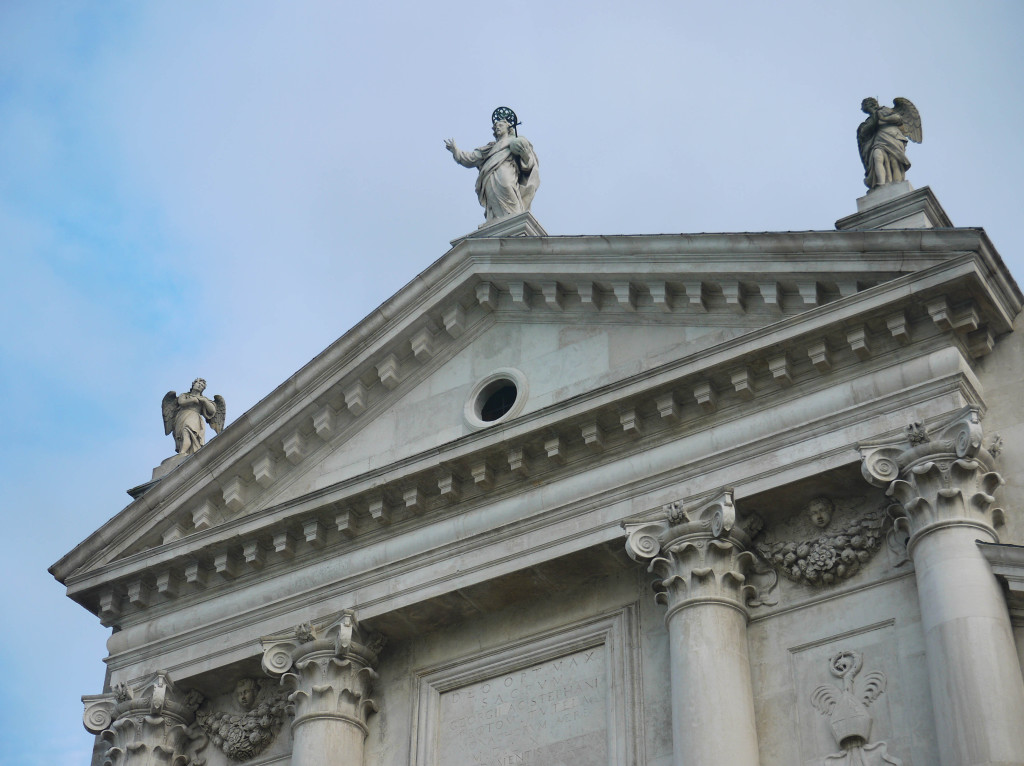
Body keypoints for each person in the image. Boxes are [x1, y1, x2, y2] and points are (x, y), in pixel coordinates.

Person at [444, 119, 539, 222]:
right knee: (493, 199)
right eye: (496, 126)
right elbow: (471, 158)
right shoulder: (490, 147)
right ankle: (498, 222)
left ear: (508, 128)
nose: (497, 127)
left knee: (507, 187)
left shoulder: (516, 141)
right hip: (489, 175)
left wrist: (525, 155)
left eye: (501, 125)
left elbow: (529, 165)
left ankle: (516, 221)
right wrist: (455, 150)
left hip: (507, 172)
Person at [857, 97, 920, 189]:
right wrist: (876, 121)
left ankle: (898, 184)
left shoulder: (884, 110)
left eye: (863, 105)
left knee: (894, 160)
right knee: (877, 156)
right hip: (879, 139)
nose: (861, 108)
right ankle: (881, 182)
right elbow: (864, 132)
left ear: (869, 104)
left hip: (892, 136)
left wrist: (883, 119)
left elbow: (898, 118)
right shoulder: (869, 120)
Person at [162, 378, 226, 455]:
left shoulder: (204, 399)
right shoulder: (184, 395)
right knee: (182, 434)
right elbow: (181, 402)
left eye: (202, 386)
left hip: (194, 417)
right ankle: (183, 451)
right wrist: (193, 400)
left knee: (188, 431)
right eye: (198, 383)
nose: (200, 386)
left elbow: (212, 410)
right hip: (182, 416)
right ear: (193, 384)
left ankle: (183, 452)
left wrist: (204, 401)